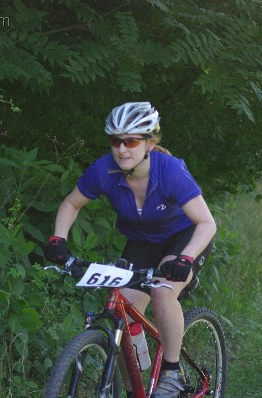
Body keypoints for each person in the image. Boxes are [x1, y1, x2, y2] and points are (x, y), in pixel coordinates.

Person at [44, 102, 217, 398]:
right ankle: (134, 390)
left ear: (150, 142)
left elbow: (206, 223)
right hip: (141, 242)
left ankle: (172, 373)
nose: (122, 149)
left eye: (132, 141)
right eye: (115, 141)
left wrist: (186, 258)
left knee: (162, 291)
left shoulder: (170, 171)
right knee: (120, 311)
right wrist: (58, 239)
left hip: (183, 237)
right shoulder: (104, 170)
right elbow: (71, 203)